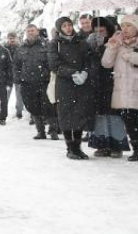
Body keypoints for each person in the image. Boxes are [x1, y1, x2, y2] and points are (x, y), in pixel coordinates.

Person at [48, 17, 94, 160]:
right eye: (64, 26)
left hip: (81, 83)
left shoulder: (81, 41)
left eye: (69, 25)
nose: (68, 28)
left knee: (79, 115)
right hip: (64, 84)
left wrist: (85, 72)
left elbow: (88, 60)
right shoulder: (55, 43)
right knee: (66, 116)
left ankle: (78, 148)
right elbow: (54, 65)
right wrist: (72, 73)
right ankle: (70, 148)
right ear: (59, 28)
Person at [87, 17, 130, 158]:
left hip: (112, 82)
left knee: (114, 115)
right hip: (96, 83)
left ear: (108, 29)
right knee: (99, 115)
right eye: (96, 31)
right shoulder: (90, 42)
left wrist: (106, 47)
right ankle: (101, 144)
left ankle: (117, 145)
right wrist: (94, 48)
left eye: (102, 30)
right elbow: (88, 62)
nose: (100, 33)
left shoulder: (117, 40)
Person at [101, 14, 138, 161]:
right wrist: (111, 47)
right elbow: (106, 63)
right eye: (123, 26)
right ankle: (137, 149)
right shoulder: (118, 43)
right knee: (130, 123)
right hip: (123, 91)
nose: (125, 29)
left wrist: (130, 56)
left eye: (129, 25)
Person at [14, 24, 59, 140]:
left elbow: (52, 63)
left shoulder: (46, 45)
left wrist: (50, 75)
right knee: (33, 107)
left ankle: (53, 131)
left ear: (37, 32)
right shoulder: (21, 48)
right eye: (28, 31)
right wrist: (19, 78)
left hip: (44, 82)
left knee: (48, 107)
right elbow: (16, 65)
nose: (30, 33)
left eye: (32, 30)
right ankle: (40, 131)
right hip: (28, 83)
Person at [5, 32, 25, 119]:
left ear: (16, 38)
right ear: (7, 39)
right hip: (8, 76)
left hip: (19, 74)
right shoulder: (4, 49)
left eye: (13, 38)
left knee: (19, 94)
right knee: (5, 95)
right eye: (10, 38)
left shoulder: (21, 48)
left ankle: (19, 112)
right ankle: (3, 111)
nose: (11, 40)